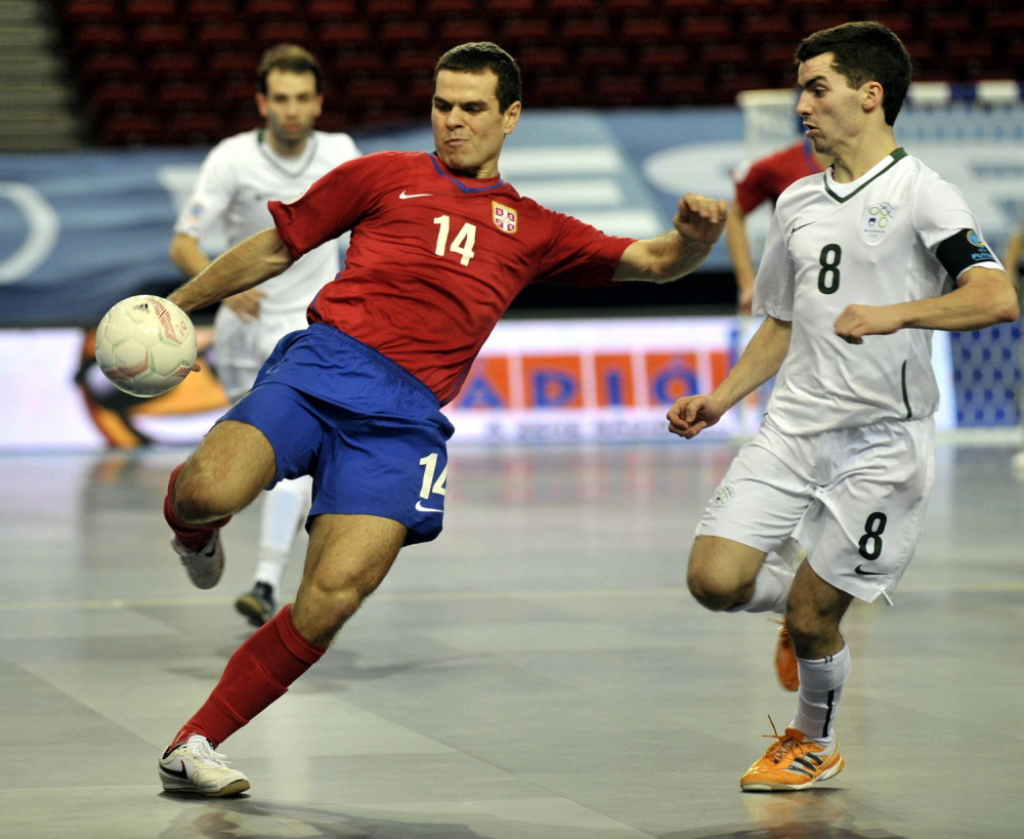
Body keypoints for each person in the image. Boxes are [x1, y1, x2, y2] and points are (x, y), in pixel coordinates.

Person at [156, 41, 728, 796]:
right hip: (321, 367)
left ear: (510, 116)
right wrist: (177, 306)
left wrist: (696, 239)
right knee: (206, 490)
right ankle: (194, 535)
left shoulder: (532, 228)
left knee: (332, 598)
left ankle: (193, 742)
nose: (453, 122)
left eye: (472, 109)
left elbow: (655, 261)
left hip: (403, 422)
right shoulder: (383, 175)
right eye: (442, 106)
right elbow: (275, 247)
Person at [667, 21, 1017, 793]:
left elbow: (996, 295)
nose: (801, 105)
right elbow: (782, 322)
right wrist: (721, 398)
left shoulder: (922, 190)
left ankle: (812, 739)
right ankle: (792, 607)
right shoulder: (795, 200)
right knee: (712, 580)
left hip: (882, 445)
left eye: (816, 88)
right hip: (792, 428)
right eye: (799, 90)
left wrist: (897, 313)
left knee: (815, 615)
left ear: (869, 94)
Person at [169, 44, 360, 628]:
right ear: (262, 103)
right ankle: (197, 531)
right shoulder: (231, 160)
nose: (293, 110)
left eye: (303, 98)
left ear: (319, 102)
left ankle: (264, 580)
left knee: (290, 457)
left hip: (312, 331)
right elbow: (184, 244)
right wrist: (225, 288)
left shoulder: (341, 154)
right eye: (281, 99)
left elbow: (363, 240)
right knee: (241, 459)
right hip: (245, 333)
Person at [727, 139, 830, 315]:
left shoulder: (878, 167)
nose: (805, 109)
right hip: (796, 298)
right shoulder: (780, 166)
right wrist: (747, 284)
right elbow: (735, 215)